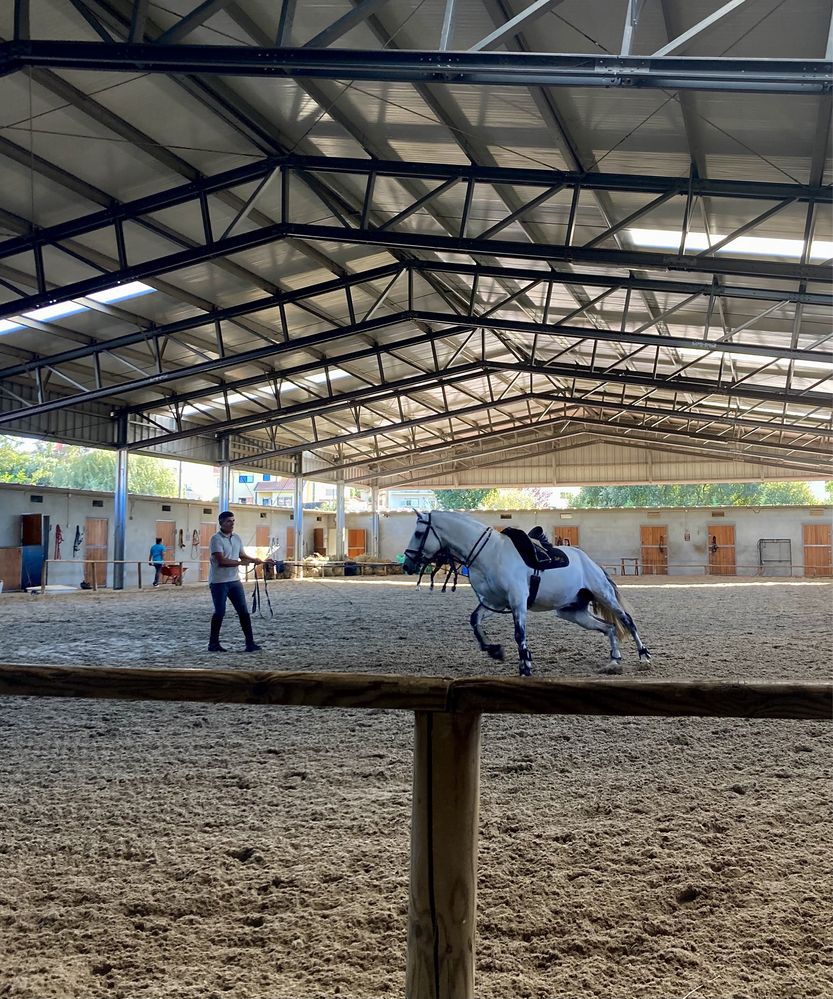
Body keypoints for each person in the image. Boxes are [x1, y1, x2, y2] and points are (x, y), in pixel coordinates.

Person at [208, 511, 264, 653]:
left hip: (234, 581)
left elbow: (242, 555)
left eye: (233, 521)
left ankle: (250, 643)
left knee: (243, 612)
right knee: (219, 612)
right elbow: (221, 561)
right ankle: (213, 643)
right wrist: (240, 563)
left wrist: (254, 560)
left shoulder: (237, 538)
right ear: (221, 523)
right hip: (219, 582)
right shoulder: (216, 539)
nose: (232, 523)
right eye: (228, 521)